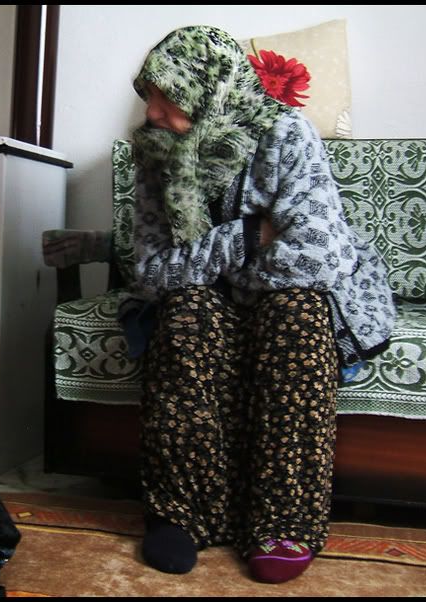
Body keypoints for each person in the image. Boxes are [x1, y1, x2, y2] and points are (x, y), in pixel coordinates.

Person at [119, 26, 395, 583]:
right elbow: (149, 273)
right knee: (185, 314)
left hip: (291, 294)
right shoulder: (155, 155)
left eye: (165, 96)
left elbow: (316, 258)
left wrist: (212, 264)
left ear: (208, 89)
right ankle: (181, 513)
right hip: (220, 295)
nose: (151, 112)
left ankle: (285, 522)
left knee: (295, 313)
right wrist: (245, 237)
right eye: (147, 95)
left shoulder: (287, 133)